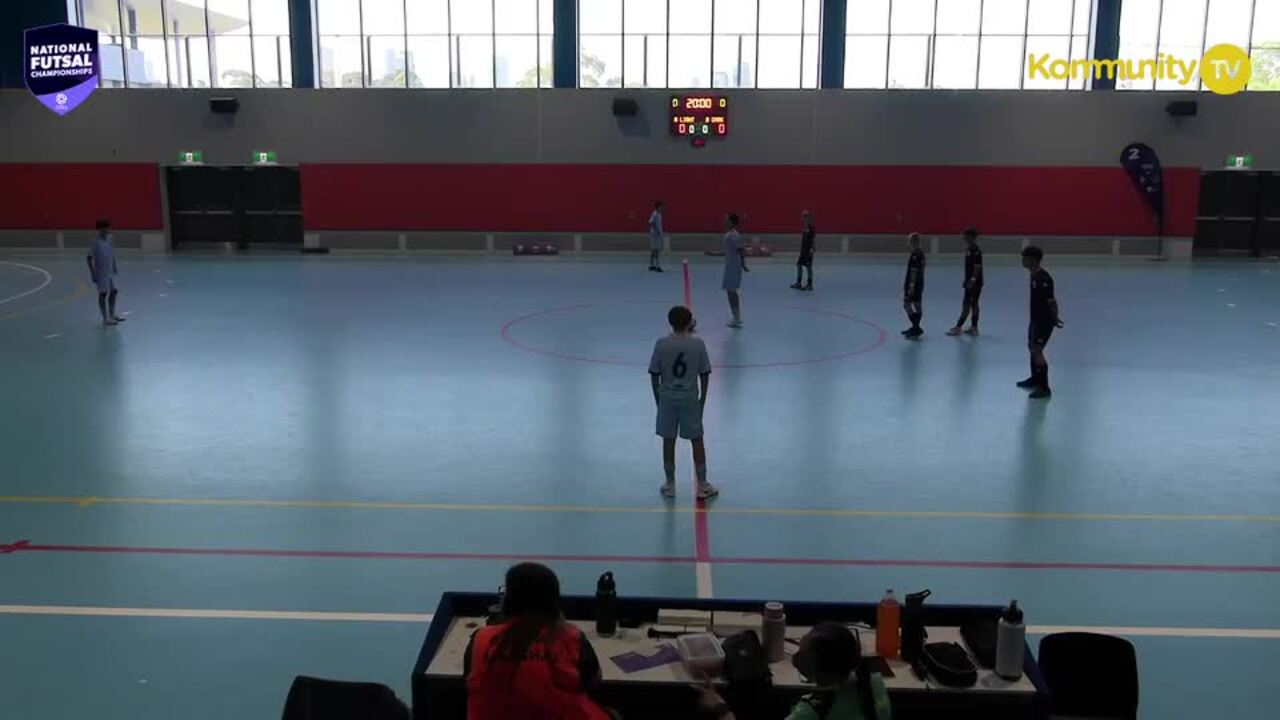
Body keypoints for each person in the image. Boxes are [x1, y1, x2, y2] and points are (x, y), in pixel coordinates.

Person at [464, 563, 614, 720]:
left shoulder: (481, 638)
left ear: (509, 599)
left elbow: (470, 679)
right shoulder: (572, 637)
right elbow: (593, 681)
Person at [695, 623, 891, 720]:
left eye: (803, 654)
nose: (795, 657)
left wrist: (720, 708)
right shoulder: (873, 679)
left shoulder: (812, 711)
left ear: (822, 671)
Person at [650, 306, 717, 499]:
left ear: (670, 322)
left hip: (668, 399)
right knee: (697, 439)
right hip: (689, 398)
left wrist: (658, 399)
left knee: (668, 440)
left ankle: (670, 484)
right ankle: (702, 484)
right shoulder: (698, 344)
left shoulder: (661, 344)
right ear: (689, 322)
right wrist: (702, 399)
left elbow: (654, 374)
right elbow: (704, 374)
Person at [1018, 245, 1064, 399]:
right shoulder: (1034, 275)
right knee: (1032, 347)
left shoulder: (1044, 278)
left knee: (1037, 351)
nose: (1022, 260)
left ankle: (1044, 388)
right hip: (1035, 320)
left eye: (1025, 258)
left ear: (1033, 259)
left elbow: (1051, 301)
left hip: (1043, 321)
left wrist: (1054, 318)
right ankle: (1035, 379)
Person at [86, 219, 125, 327]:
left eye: (108, 227)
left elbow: (112, 253)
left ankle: (112, 315)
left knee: (114, 291)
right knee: (103, 294)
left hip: (110, 271)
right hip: (101, 272)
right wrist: (93, 273)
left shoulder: (109, 240)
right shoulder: (96, 243)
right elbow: (89, 258)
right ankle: (105, 318)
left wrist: (114, 265)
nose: (108, 230)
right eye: (105, 228)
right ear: (100, 229)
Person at [946, 227, 983, 336]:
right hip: (970, 282)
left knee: (970, 304)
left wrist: (972, 281)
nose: (964, 237)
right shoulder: (969, 249)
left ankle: (960, 327)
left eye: (965, 236)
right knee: (970, 304)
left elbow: (977, 267)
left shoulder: (976, 250)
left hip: (975, 283)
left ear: (971, 237)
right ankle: (973, 327)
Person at [723, 213, 748, 328]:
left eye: (727, 219)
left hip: (734, 267)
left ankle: (737, 318)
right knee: (730, 291)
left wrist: (743, 264)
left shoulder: (734, 235)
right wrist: (714, 253)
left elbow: (740, 250)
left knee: (732, 292)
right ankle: (735, 316)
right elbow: (729, 251)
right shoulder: (728, 234)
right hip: (730, 266)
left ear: (732, 222)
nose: (725, 221)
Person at [902, 233, 925, 339]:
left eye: (910, 241)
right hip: (920, 284)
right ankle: (915, 327)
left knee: (907, 304)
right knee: (917, 305)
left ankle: (916, 327)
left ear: (914, 241)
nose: (908, 243)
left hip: (914, 284)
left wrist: (911, 286)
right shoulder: (921, 254)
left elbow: (914, 271)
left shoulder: (916, 254)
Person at [792, 211, 816, 291]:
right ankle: (798, 283)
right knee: (799, 265)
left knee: (808, 267)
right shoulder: (804, 227)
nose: (803, 218)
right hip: (803, 251)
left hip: (808, 251)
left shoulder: (811, 228)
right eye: (803, 216)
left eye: (805, 216)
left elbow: (813, 240)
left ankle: (810, 285)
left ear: (809, 218)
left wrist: (812, 250)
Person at [649, 201, 665, 273]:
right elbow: (651, 222)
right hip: (655, 235)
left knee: (654, 250)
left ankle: (652, 265)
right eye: (660, 206)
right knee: (655, 250)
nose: (662, 208)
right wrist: (656, 230)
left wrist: (660, 231)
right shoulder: (655, 214)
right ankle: (657, 266)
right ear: (657, 207)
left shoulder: (660, 214)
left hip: (658, 234)